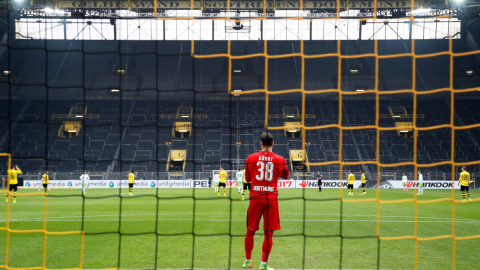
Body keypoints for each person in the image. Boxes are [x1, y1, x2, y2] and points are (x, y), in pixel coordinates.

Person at [242, 132, 289, 270]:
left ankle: (247, 262)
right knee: (268, 234)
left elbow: (248, 179)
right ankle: (263, 265)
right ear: (273, 144)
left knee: (250, 231)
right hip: (271, 199)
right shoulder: (280, 159)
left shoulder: (251, 158)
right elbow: (286, 176)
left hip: (256, 198)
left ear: (261, 143)